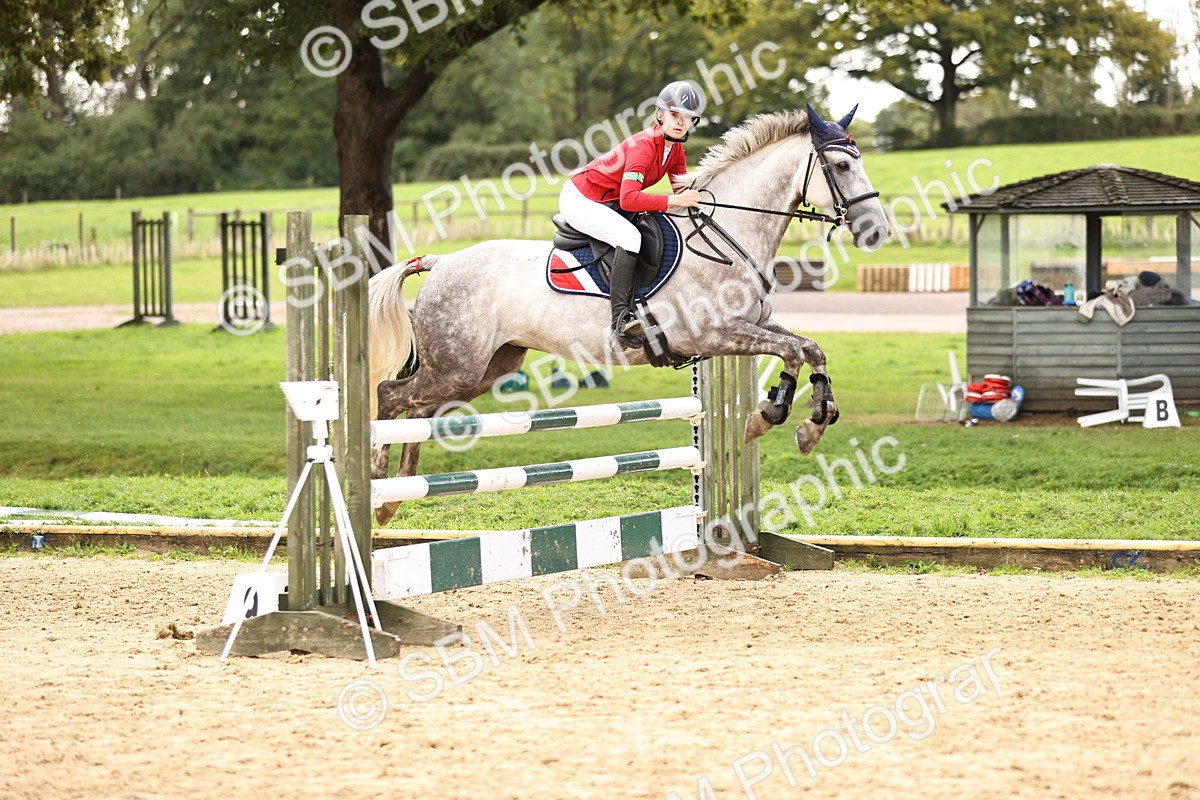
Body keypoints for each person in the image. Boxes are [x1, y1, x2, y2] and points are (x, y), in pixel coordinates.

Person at [559, 80, 705, 348]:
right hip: (581, 198)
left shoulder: (676, 151)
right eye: (675, 115)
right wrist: (675, 199)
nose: (681, 122)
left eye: (688, 118)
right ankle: (621, 322)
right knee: (630, 237)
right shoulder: (644, 146)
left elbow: (684, 190)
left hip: (607, 200)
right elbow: (629, 199)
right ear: (660, 115)